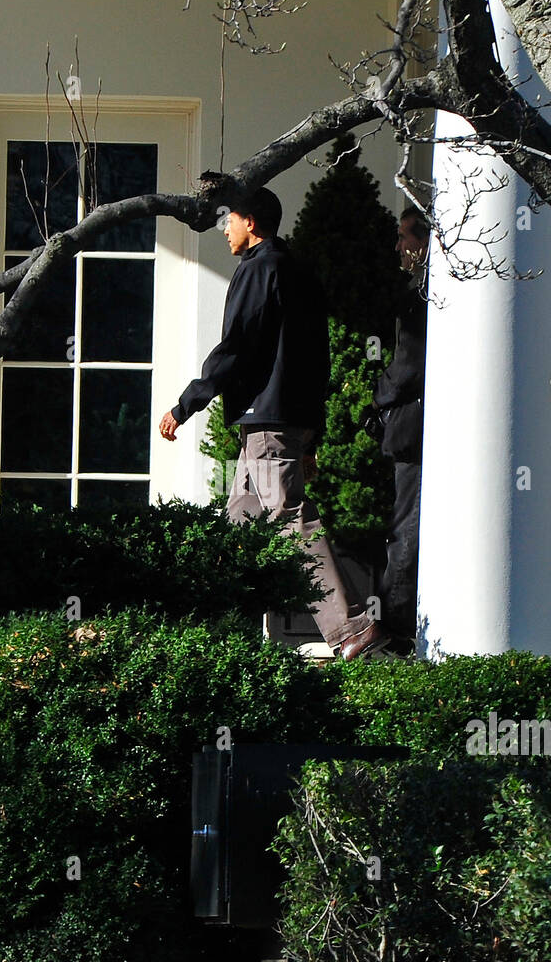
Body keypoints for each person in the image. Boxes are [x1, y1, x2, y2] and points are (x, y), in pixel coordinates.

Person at [158, 187, 388, 661]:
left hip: (267, 422)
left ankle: (349, 629)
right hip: (289, 420)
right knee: (239, 522)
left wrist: (187, 404)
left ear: (252, 224)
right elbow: (318, 358)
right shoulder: (299, 271)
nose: (225, 228)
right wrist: (312, 434)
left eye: (231, 220)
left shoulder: (258, 269)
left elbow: (238, 346)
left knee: (287, 517)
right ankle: (214, 635)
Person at [369, 207, 429, 646]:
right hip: (417, 429)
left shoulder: (422, 298)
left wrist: (378, 398)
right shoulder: (427, 294)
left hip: (414, 432)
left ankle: (396, 628)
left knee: (405, 526)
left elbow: (408, 364)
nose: (398, 247)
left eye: (404, 237)